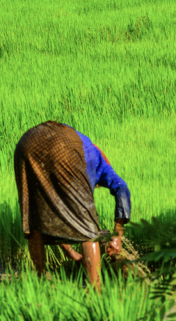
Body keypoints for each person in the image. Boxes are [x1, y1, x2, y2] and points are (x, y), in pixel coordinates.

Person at [14, 121, 131, 288]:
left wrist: (72, 254)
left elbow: (57, 214)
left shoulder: (84, 149)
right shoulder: (97, 162)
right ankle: (95, 294)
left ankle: (40, 285)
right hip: (64, 145)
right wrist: (117, 237)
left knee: (36, 218)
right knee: (89, 230)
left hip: (26, 143)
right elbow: (122, 189)